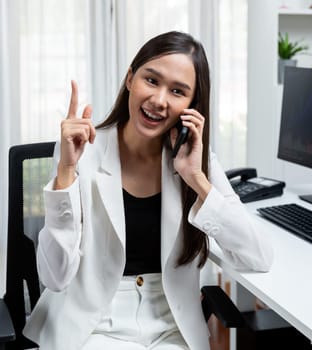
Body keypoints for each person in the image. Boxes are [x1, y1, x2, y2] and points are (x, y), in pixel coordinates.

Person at [23, 30, 273, 350]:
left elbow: (259, 257)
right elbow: (55, 277)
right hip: (94, 325)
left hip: (170, 326)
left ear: (191, 106)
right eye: (152, 81)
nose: (159, 100)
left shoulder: (196, 162)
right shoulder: (82, 153)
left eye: (178, 91)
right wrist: (66, 173)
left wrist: (196, 179)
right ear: (130, 79)